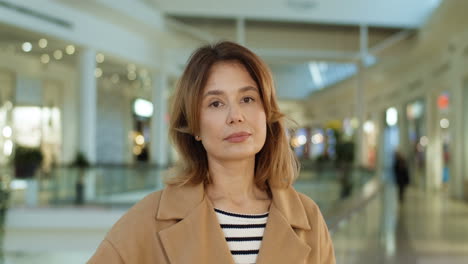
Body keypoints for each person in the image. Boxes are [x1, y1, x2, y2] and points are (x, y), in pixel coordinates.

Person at [88, 41, 336, 264]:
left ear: (267, 112)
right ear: (194, 125)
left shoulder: (308, 218)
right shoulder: (149, 219)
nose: (236, 116)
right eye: (216, 103)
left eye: (248, 99)